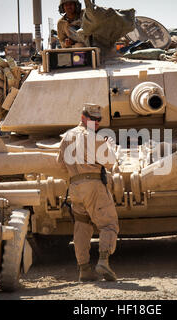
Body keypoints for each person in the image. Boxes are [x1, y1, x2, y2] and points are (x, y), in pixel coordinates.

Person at [58, 103, 119, 282]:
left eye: (99, 120)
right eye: (93, 119)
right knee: (109, 224)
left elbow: (60, 163)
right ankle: (103, 261)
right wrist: (110, 147)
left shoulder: (67, 136)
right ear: (84, 118)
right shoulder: (93, 137)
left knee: (82, 226)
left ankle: (84, 269)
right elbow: (110, 162)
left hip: (75, 187)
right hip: (93, 186)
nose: (97, 122)